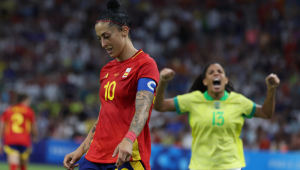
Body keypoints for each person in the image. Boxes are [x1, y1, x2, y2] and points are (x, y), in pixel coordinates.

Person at [63, 0, 159, 170]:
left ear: (124, 30)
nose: (103, 44)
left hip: (125, 155)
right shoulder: (106, 69)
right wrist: (81, 149)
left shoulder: (145, 64)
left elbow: (143, 108)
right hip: (94, 156)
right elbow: (103, 115)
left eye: (106, 36)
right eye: (99, 38)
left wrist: (128, 139)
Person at [153, 63, 280, 170]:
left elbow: (266, 113)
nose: (216, 73)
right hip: (201, 166)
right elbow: (160, 106)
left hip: (230, 166)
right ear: (205, 81)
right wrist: (162, 82)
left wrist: (271, 89)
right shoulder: (193, 100)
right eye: (211, 72)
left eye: (220, 71)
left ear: (225, 80)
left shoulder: (238, 101)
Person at [0, 93, 38, 170]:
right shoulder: (29, 111)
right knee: (23, 166)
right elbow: (34, 128)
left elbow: (2, 125)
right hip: (24, 141)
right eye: (28, 101)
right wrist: (35, 136)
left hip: (11, 140)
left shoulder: (9, 109)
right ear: (24, 100)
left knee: (14, 166)